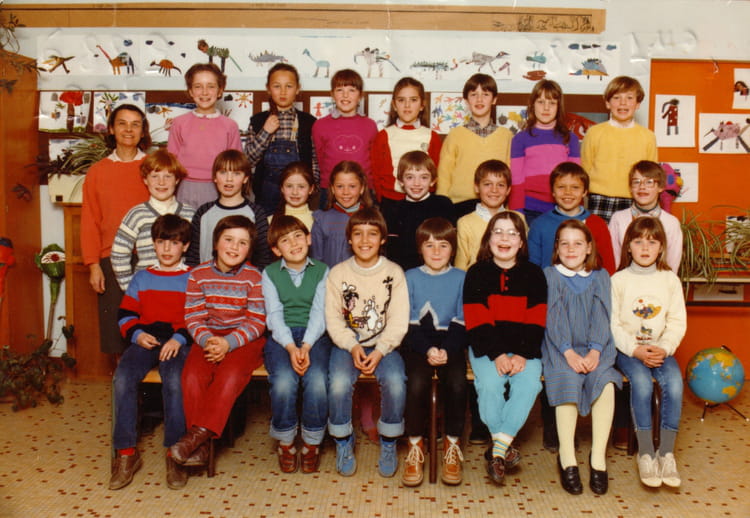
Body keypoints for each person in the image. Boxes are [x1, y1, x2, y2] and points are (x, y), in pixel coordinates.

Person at [169, 215, 267, 466]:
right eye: (228, 240)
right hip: (208, 337)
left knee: (230, 375)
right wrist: (209, 341)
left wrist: (228, 343)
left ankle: (195, 438)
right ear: (215, 243)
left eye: (242, 243)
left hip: (244, 340)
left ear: (249, 249)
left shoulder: (254, 277)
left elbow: (256, 321)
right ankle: (202, 448)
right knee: (192, 377)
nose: (234, 247)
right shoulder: (198, 274)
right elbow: (193, 317)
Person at [110, 214, 193, 491]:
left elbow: (196, 318)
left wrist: (179, 339)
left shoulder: (192, 278)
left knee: (174, 381)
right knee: (123, 378)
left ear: (185, 246)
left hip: (178, 342)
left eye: (174, 243)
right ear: (153, 245)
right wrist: (137, 334)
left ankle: (175, 453)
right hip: (146, 339)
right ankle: (126, 453)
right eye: (161, 242)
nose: (167, 249)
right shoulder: (142, 277)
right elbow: (125, 314)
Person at [463, 211, 546, 486]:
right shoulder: (476, 273)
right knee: (489, 385)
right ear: (488, 239)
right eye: (498, 232)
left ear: (521, 242)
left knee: (529, 384)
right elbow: (477, 321)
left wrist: (522, 354)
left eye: (512, 233)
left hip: (525, 349)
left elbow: (536, 321)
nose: (505, 238)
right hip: (487, 348)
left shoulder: (534, 274)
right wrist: (497, 354)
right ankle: (503, 447)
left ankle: (497, 449)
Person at [325, 207, 408, 478]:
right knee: (338, 383)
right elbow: (333, 320)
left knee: (395, 381)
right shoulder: (338, 273)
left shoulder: (394, 272)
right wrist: (353, 346)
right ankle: (343, 440)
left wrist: (381, 350)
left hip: (385, 346)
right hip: (348, 345)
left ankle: (389, 440)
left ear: (382, 239)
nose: (364, 240)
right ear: (349, 239)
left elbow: (398, 320)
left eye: (372, 234)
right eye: (358, 234)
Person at [541, 220, 621, 495]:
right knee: (567, 380)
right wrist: (569, 351)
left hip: (597, 347)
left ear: (588, 248)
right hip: (560, 347)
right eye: (564, 243)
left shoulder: (600, 276)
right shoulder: (550, 275)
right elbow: (553, 317)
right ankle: (567, 457)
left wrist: (596, 350)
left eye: (577, 243)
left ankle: (598, 458)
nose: (571, 249)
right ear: (557, 248)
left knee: (605, 382)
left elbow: (602, 315)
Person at [612, 217, 686, 488]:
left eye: (652, 242)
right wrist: (635, 350)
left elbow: (677, 321)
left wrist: (664, 348)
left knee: (675, 384)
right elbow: (613, 324)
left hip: (660, 349)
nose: (645, 248)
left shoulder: (669, 280)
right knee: (642, 384)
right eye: (638, 241)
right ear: (628, 246)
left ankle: (665, 453)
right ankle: (645, 453)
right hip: (628, 351)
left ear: (661, 247)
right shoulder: (618, 280)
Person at [400, 218, 467, 487]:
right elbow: (408, 322)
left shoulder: (462, 277)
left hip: (451, 342)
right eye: (429, 245)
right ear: (420, 248)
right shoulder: (410, 277)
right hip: (419, 342)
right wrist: (428, 349)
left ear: (453, 249)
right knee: (416, 383)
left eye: (443, 245)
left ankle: (452, 444)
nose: (436, 251)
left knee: (458, 383)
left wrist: (447, 349)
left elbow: (462, 319)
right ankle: (415, 445)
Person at [261, 215, 331, 474]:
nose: (293, 243)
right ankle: (286, 442)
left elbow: (320, 312)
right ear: (276, 249)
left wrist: (307, 345)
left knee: (316, 379)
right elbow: (274, 315)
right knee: (283, 381)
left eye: (298, 236)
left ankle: (312, 442)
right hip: (282, 336)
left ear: (309, 239)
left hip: (316, 335)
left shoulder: (323, 270)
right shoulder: (269, 273)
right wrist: (292, 347)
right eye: (285, 240)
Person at [81, 103, 150, 354]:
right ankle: (121, 379)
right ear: (111, 129)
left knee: (151, 330)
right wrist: (93, 265)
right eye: (122, 123)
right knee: (117, 333)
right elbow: (90, 220)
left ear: (143, 131)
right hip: (110, 259)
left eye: (135, 124)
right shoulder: (97, 172)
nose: (128, 130)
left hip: (149, 258)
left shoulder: (153, 167)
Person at [110, 149, 195, 291]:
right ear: (145, 180)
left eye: (168, 176)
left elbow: (197, 255)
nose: (161, 182)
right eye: (155, 176)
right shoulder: (137, 214)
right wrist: (130, 289)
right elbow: (119, 253)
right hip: (147, 290)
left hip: (181, 290)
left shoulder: (190, 214)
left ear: (177, 180)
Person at [581, 76, 658, 222]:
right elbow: (585, 168)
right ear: (607, 103)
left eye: (629, 98)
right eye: (616, 98)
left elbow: (651, 173)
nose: (623, 103)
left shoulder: (648, 136)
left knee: (631, 236)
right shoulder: (594, 132)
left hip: (635, 198)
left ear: (638, 104)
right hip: (599, 198)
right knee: (598, 236)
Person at [246, 63, 319, 213]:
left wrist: (312, 188)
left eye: (289, 86)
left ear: (297, 89)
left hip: (299, 196)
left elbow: (315, 161)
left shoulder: (309, 122)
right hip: (265, 196)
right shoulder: (258, 121)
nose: (283, 92)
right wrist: (265, 132)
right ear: (268, 89)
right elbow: (248, 160)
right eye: (277, 86)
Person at [167, 63, 242, 209]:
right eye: (198, 86)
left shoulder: (230, 126)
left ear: (220, 91)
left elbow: (235, 164)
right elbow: (171, 161)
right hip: (184, 187)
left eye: (211, 86)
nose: (205, 92)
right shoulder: (179, 123)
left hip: (217, 187)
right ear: (190, 91)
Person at [437, 73, 512, 217]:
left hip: (495, 204)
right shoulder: (455, 135)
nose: (479, 99)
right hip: (459, 205)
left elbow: (510, 174)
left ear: (494, 99)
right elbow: (444, 175)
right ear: (466, 100)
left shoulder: (506, 136)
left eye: (485, 94)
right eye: (473, 94)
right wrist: (443, 207)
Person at [185, 149, 272, 270]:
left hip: (244, 280)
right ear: (215, 177)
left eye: (236, 173)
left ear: (245, 178)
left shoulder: (256, 213)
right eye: (223, 172)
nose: (229, 179)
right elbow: (193, 257)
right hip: (206, 279)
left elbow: (263, 258)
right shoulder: (203, 212)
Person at [510, 80, 581, 224]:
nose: (546, 108)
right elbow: (516, 181)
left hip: (562, 209)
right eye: (541, 102)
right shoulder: (520, 139)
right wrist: (517, 213)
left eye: (552, 103)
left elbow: (576, 181)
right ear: (532, 105)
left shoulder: (570, 139)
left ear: (559, 107)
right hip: (530, 210)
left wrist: (576, 213)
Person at [528, 162, 615, 275]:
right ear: (553, 191)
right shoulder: (539, 224)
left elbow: (608, 268)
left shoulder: (598, 224)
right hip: (549, 285)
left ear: (585, 192)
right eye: (561, 187)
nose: (568, 192)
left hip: (589, 286)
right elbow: (532, 268)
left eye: (575, 187)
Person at [371, 77, 442, 211]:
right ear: (394, 105)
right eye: (401, 100)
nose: (407, 105)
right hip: (391, 201)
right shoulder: (384, 135)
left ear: (422, 105)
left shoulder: (431, 136)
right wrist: (382, 198)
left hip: (423, 200)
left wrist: (429, 195)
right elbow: (376, 172)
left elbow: (435, 171)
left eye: (413, 100)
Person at [312, 69, 378, 208]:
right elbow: (320, 159)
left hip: (364, 190)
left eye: (351, 90)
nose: (345, 95)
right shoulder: (320, 125)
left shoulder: (370, 125)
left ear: (360, 95)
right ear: (332, 94)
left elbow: (373, 161)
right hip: (330, 190)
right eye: (340, 90)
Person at [381, 151, 455, 271]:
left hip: (439, 269)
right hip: (405, 273)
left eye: (424, 177)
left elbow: (452, 245)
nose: (416, 183)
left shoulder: (443, 205)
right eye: (410, 177)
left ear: (433, 181)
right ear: (401, 181)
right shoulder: (393, 210)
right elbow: (392, 253)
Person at [609, 160, 683, 273]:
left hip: (659, 282)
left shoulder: (671, 223)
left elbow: (672, 266)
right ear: (630, 188)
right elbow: (614, 260)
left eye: (649, 182)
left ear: (661, 187)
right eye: (636, 182)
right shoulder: (618, 219)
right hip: (624, 281)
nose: (642, 187)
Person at [455, 159, 521, 271]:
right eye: (487, 184)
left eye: (500, 185)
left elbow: (523, 257)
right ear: (477, 187)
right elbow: (460, 266)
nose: (494, 190)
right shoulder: (465, 223)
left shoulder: (518, 219)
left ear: (508, 190)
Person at [310, 160, 373, 267]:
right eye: (340, 186)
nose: (346, 192)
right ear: (332, 189)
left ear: (362, 188)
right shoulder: (322, 220)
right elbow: (316, 261)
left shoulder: (372, 219)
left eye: (352, 186)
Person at [271, 161, 316, 231]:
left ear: (311, 189)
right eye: (289, 186)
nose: (295, 192)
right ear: (282, 188)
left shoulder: (318, 220)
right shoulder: (269, 221)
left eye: (301, 187)